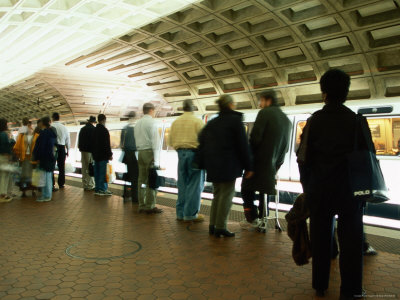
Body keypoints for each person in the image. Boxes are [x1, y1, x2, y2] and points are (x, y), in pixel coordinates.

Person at [297, 69, 368, 299]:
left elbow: (302, 158)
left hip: (320, 191)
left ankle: (320, 284)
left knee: (320, 239)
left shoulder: (314, 121)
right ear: (346, 93)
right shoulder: (356, 121)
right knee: (351, 242)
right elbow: (368, 157)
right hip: (349, 191)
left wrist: (308, 187)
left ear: (323, 92)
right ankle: (351, 290)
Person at [198, 95, 253, 237]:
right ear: (230, 105)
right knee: (226, 196)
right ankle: (220, 227)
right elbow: (243, 146)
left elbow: (201, 140)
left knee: (217, 195)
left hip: (213, 165)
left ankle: (213, 225)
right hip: (229, 165)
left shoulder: (212, 122)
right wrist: (248, 166)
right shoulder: (235, 121)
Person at [240, 90, 291, 228]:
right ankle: (263, 217)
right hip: (273, 165)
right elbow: (286, 146)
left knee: (245, 189)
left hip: (259, 162)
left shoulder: (265, 113)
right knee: (264, 192)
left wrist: (249, 163)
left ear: (268, 100)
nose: (260, 105)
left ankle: (252, 218)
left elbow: (255, 138)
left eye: (261, 101)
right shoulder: (286, 119)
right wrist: (277, 165)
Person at [169, 99, 205, 222]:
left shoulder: (175, 122)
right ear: (193, 108)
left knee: (182, 184)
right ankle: (190, 214)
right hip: (194, 155)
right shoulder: (197, 121)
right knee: (195, 185)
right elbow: (204, 141)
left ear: (183, 108)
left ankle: (180, 213)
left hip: (180, 154)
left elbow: (171, 142)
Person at [134, 103, 162, 214]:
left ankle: (141, 204)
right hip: (149, 152)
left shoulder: (138, 123)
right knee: (151, 179)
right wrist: (156, 158)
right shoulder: (151, 122)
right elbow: (155, 141)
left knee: (142, 180)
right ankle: (150, 206)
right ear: (151, 110)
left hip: (140, 153)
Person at [32, 116, 57, 202]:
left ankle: (45, 195)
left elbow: (40, 147)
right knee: (48, 177)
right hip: (50, 157)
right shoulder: (52, 133)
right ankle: (48, 195)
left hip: (44, 158)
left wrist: (37, 157)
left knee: (43, 177)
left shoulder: (43, 134)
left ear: (42, 123)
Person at [92, 114, 113, 196]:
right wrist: (110, 154)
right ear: (104, 120)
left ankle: (97, 188)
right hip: (103, 156)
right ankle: (103, 189)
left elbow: (92, 144)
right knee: (103, 173)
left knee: (97, 173)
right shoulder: (104, 130)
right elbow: (107, 144)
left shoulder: (94, 130)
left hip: (96, 156)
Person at [13, 120, 35, 197]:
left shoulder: (35, 136)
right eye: (28, 126)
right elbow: (17, 147)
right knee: (24, 176)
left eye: (30, 126)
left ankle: (32, 190)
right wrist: (19, 156)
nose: (29, 128)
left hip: (32, 159)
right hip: (24, 158)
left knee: (32, 175)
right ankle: (24, 191)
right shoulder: (22, 136)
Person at [120, 112, 139, 203]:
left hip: (127, 156)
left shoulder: (125, 128)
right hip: (135, 155)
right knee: (136, 177)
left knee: (129, 175)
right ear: (135, 118)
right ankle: (135, 198)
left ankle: (127, 195)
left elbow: (121, 145)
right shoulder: (137, 128)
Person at [51, 112, 70, 190]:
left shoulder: (50, 127)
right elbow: (67, 140)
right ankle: (61, 183)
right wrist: (68, 150)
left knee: (51, 166)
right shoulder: (64, 127)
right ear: (59, 118)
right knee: (61, 167)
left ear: (52, 118)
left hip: (53, 148)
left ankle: (52, 183)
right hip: (62, 148)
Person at [78, 116, 96, 191]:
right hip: (90, 151)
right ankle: (90, 185)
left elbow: (79, 141)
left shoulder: (82, 129)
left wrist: (80, 148)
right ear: (93, 122)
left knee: (84, 168)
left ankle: (85, 184)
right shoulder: (94, 129)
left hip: (83, 151)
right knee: (90, 167)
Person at [0, 118, 13, 202]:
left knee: (1, 176)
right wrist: (9, 157)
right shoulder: (4, 135)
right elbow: (6, 147)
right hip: (4, 157)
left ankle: (3, 194)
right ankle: (3, 195)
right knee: (5, 176)